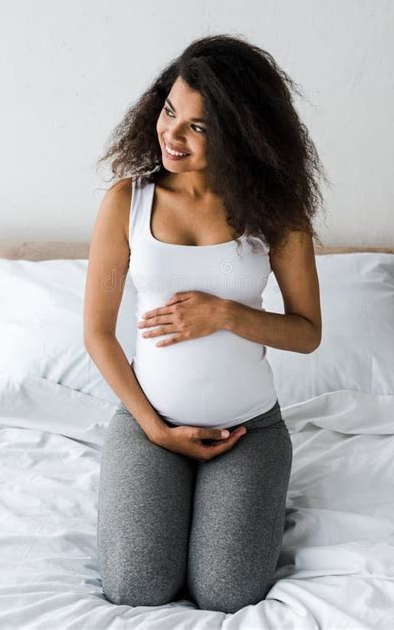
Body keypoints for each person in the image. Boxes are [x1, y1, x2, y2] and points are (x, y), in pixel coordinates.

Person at [84, 34, 327, 613]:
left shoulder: (277, 213)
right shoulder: (128, 201)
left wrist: (227, 313)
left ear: (242, 133)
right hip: (150, 425)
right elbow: (96, 331)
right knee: (136, 588)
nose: (172, 134)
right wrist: (155, 429)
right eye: (170, 111)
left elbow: (307, 331)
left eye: (199, 126)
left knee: (228, 593)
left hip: (248, 431)